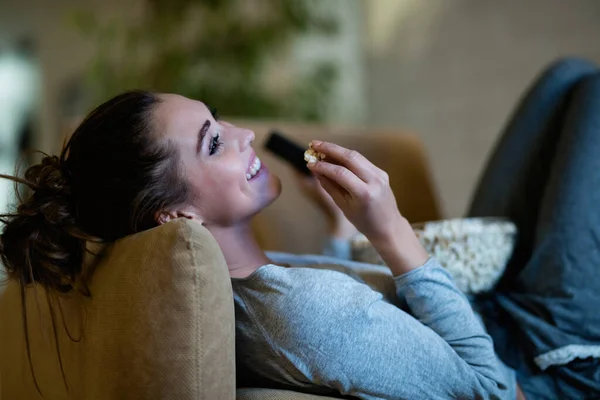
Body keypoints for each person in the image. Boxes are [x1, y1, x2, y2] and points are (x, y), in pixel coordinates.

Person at [1, 58, 599, 399]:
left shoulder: (248, 287)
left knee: (564, 80)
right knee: (591, 90)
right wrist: (390, 230)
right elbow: (494, 394)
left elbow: (348, 313)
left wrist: (339, 229)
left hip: (494, 314)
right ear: (176, 216)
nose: (245, 135)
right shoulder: (301, 313)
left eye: (218, 119)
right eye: (215, 143)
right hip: (541, 354)